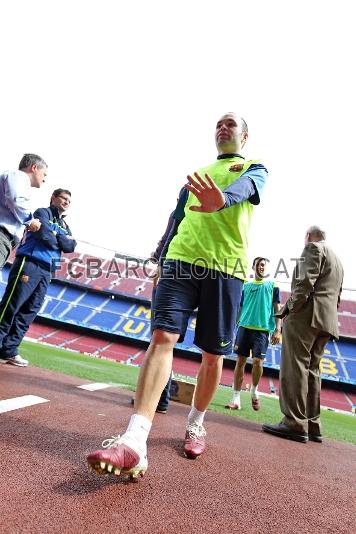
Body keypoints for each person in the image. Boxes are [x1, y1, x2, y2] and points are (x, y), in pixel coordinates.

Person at [87, 111, 268, 480]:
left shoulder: (254, 167)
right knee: (162, 336)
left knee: (214, 355)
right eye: (219, 123)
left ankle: (196, 422)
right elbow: (175, 220)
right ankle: (135, 440)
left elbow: (247, 189)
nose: (223, 127)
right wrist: (159, 258)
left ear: (245, 137)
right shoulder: (194, 177)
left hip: (227, 269)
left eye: (231, 124)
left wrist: (223, 199)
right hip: (180, 263)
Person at [262, 226, 343, 443]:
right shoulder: (338, 261)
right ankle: (312, 424)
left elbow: (305, 283)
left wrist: (289, 309)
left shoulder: (312, 248)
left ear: (308, 237)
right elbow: (337, 296)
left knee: (295, 365)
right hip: (327, 321)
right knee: (313, 370)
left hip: (306, 315)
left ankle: (294, 422)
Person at [0, 189, 76, 367]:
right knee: (12, 305)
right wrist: (59, 238)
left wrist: (56, 236)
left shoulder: (65, 225)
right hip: (30, 262)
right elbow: (44, 236)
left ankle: (9, 350)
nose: (66, 202)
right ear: (53, 198)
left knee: (28, 312)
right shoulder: (42, 212)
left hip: (47, 271)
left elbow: (70, 246)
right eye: (63, 198)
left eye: (68, 201)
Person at [225, 257, 281, 411]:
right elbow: (239, 308)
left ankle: (254, 390)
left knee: (258, 362)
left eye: (264, 265)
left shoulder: (272, 285)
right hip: (244, 327)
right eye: (259, 265)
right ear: (254, 267)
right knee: (240, 361)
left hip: (262, 330)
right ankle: (236, 398)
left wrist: (278, 329)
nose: (261, 267)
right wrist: (231, 327)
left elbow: (278, 310)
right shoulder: (246, 286)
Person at [0, 154, 48, 269]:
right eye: (44, 174)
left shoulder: (18, 180)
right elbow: (16, 199)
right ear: (34, 168)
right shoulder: (19, 176)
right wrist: (30, 220)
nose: (44, 179)